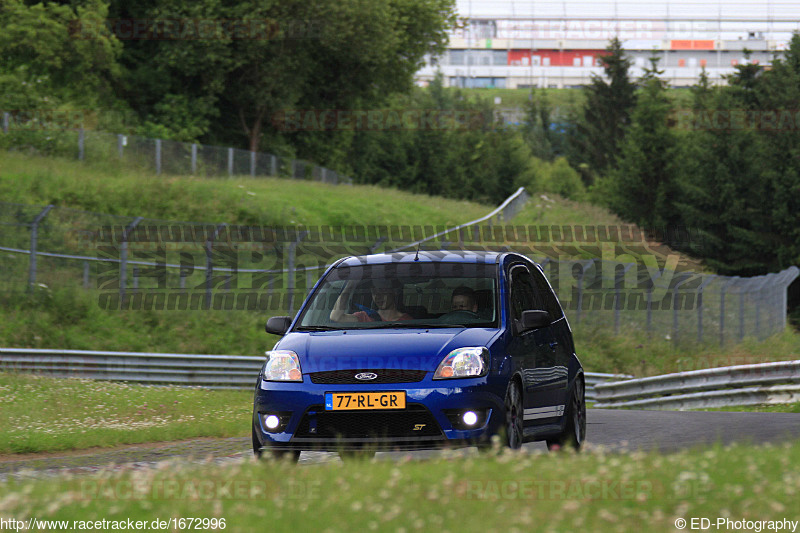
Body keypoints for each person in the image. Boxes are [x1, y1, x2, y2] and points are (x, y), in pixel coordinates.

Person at [330, 279, 412, 322]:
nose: (378, 296)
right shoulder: (365, 317)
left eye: (382, 291)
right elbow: (336, 317)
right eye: (374, 292)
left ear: (394, 292)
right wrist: (350, 285)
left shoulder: (407, 321)